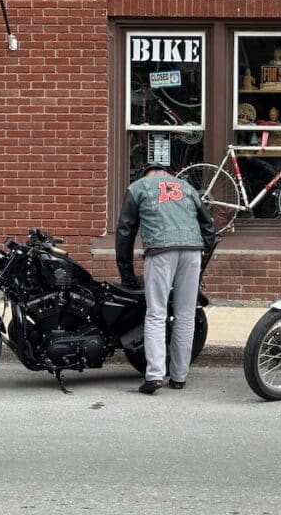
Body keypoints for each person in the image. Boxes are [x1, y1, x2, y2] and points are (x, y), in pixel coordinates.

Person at [116, 162, 218, 395]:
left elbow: (125, 231)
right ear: (167, 174)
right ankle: (179, 376)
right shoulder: (187, 188)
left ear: (146, 173)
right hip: (192, 250)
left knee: (156, 313)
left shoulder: (138, 188)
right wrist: (201, 262)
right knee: (185, 314)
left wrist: (126, 271)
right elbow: (209, 229)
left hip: (161, 252)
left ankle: (154, 375)